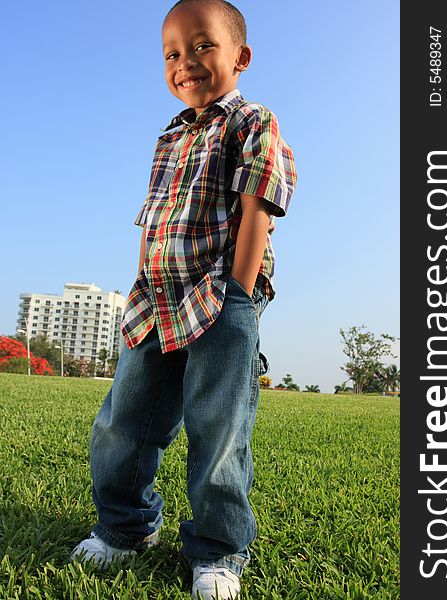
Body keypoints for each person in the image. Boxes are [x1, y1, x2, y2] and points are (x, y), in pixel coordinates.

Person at [70, 0, 297, 598]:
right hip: (156, 296)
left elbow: (257, 211)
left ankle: (219, 551)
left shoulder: (254, 122)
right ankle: (125, 527)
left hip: (219, 295)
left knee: (217, 428)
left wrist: (238, 296)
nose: (186, 63)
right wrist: (138, 281)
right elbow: (150, 219)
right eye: (172, 53)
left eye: (202, 47)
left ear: (240, 58)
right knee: (125, 420)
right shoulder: (168, 135)